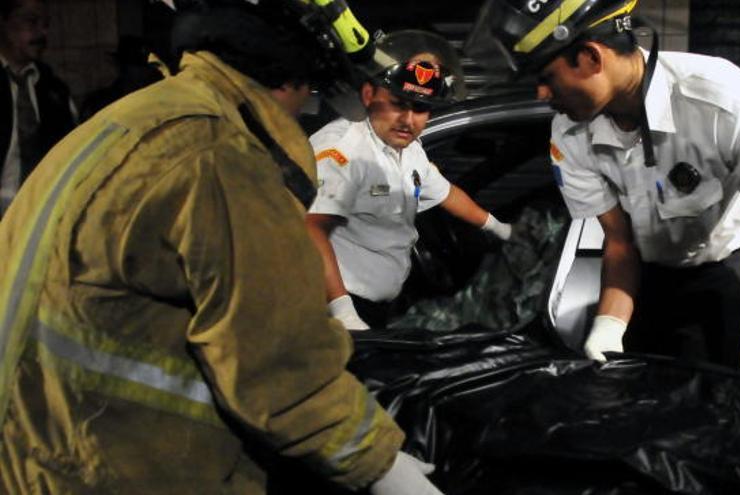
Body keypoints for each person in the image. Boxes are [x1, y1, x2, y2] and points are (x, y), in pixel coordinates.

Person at [0, 1, 444, 494]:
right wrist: (386, 469)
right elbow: (278, 364)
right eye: (312, 88)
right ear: (289, 75)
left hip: (37, 449)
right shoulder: (221, 157)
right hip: (109, 467)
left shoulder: (141, 118)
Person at [466, 0, 740, 405]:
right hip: (644, 269)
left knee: (709, 403)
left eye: (546, 77)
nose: (540, 94)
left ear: (591, 58)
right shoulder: (569, 134)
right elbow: (620, 242)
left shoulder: (726, 100)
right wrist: (609, 326)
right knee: (638, 403)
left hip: (723, 267)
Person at [306, 30, 512, 330]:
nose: (409, 120)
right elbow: (310, 229)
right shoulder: (343, 150)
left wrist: (501, 229)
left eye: (421, 108)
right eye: (399, 103)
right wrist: (342, 311)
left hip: (379, 306)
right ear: (368, 95)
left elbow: (447, 194)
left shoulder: (407, 148)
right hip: (337, 307)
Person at [0, 0, 77, 217]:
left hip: (39, 215)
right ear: (4, 22)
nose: (42, 32)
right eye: (31, 21)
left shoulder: (53, 90)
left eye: (46, 24)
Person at [79, 35, 164, 121]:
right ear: (123, 67)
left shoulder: (158, 101)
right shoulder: (98, 103)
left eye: (148, 68)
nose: (144, 73)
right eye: (136, 66)